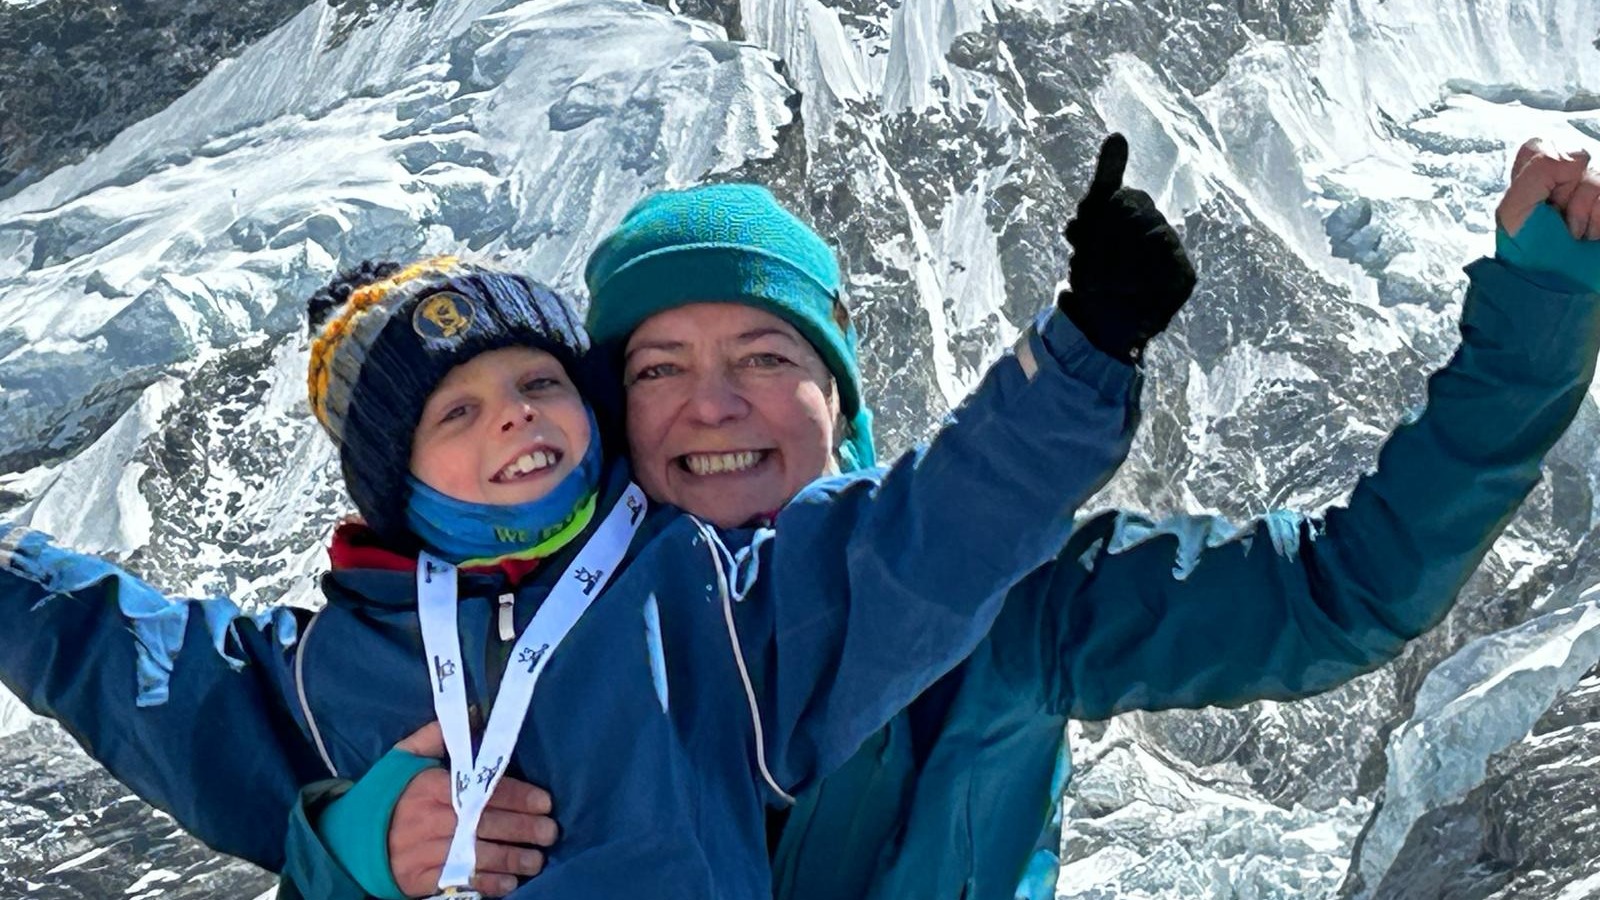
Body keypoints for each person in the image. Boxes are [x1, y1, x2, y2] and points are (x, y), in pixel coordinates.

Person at [314, 136, 1600, 900]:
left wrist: (1536, 321)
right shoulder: (490, 640)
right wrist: (353, 853)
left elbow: (1342, 593)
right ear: (606, 416)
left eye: (766, 355)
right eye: (657, 368)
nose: (714, 403)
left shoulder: (1008, 598)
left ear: (839, 400)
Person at [0, 209, 1143, 895]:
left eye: (540, 383)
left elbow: (929, 538)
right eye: (457, 413)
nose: (513, 416)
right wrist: (346, 858)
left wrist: (1077, 358)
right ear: (397, 481)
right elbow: (104, 651)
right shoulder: (318, 672)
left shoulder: (701, 596)